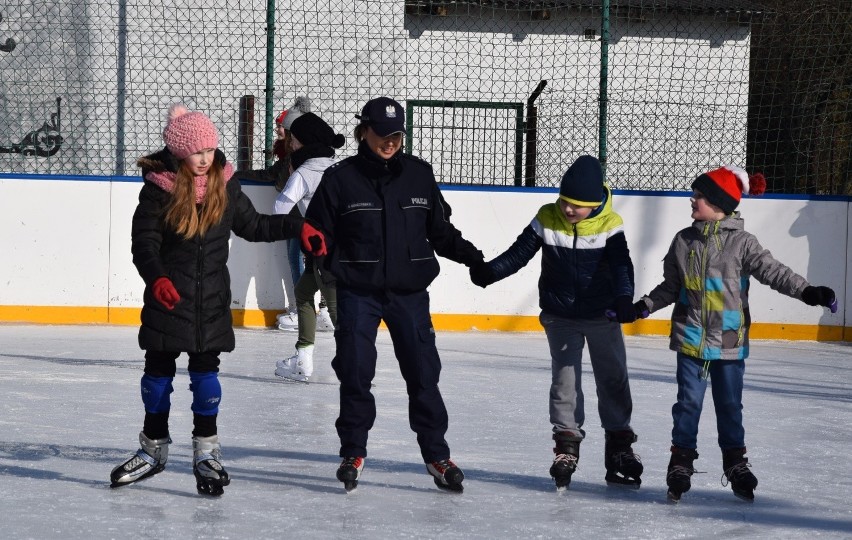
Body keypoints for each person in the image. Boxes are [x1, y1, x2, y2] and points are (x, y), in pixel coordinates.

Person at [110, 104, 325, 496]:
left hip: (209, 301)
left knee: (205, 378)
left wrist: (298, 225)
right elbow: (145, 244)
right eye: (197, 152)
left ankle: (206, 453)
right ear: (179, 153)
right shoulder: (158, 189)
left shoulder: (225, 185)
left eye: (210, 150)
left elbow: (254, 225)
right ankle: (153, 449)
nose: (205, 159)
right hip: (168, 300)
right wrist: (156, 277)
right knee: (156, 378)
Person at [304, 96, 485, 493]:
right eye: (383, 134)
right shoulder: (340, 178)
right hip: (358, 292)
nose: (390, 142)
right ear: (363, 131)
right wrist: (314, 242)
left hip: (409, 293)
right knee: (354, 370)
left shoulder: (419, 175)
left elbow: (440, 231)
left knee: (423, 374)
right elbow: (317, 229)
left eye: (397, 135)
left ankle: (436, 455)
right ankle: (353, 450)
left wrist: (474, 259)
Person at [630, 166, 837, 502]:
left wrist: (808, 292)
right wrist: (644, 306)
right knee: (688, 404)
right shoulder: (683, 241)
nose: (693, 199)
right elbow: (670, 287)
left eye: (699, 195)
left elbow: (775, 273)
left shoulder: (743, 243)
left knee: (729, 405)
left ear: (718, 203)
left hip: (729, 340)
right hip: (691, 337)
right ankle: (680, 460)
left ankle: (735, 463)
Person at [470, 155, 644, 491]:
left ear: (595, 204)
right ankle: (566, 445)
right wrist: (491, 271)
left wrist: (624, 298)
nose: (568, 210)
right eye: (565, 202)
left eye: (577, 206)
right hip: (560, 315)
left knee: (613, 378)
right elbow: (519, 253)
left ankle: (620, 446)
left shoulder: (610, 224)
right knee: (565, 381)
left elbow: (622, 265)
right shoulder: (547, 218)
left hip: (602, 315)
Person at [272, 112, 345, 381]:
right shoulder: (339, 167)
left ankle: (357, 363)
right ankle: (302, 357)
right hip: (335, 248)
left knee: (339, 311)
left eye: (294, 139)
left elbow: (279, 207)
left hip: (326, 252)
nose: (290, 143)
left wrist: (299, 227)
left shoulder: (304, 173)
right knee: (303, 293)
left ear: (304, 142)